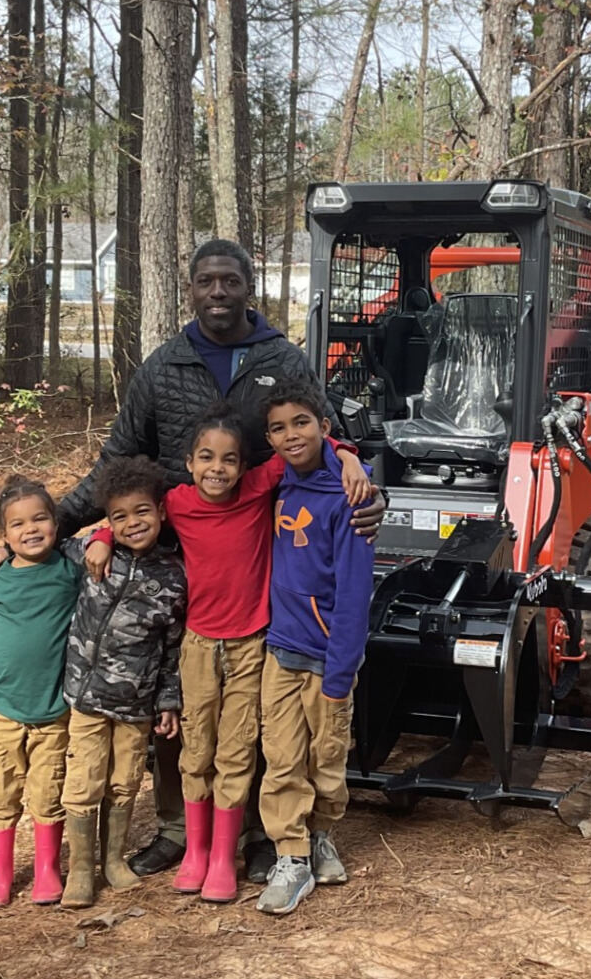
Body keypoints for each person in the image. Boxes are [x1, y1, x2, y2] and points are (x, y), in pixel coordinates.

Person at [47, 237, 384, 882]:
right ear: (191, 289)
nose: (219, 292)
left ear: (248, 287)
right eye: (207, 281)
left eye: (231, 280)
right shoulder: (162, 366)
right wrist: (75, 526)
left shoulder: (280, 358)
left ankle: (261, 832)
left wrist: (364, 481)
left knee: (252, 715)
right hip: (176, 562)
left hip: (263, 551)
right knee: (178, 707)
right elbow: (117, 464)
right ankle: (179, 829)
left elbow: (330, 435)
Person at [152, 405, 370, 903]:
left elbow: (306, 448)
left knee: (251, 750)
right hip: (205, 644)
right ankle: (201, 853)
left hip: (255, 643)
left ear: (246, 464)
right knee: (206, 750)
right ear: (188, 462)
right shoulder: (178, 502)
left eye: (230, 459)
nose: (217, 468)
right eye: (205, 458)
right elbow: (133, 517)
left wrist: (351, 457)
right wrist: (100, 535)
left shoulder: (260, 487)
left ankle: (254, 851)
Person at [254, 380, 376, 916]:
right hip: (282, 649)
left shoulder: (350, 498)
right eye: (278, 428)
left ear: (324, 427)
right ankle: (292, 855)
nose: (290, 435)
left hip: (330, 657)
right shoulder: (278, 480)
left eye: (301, 423)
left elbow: (354, 591)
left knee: (327, 757)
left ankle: (322, 833)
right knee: (281, 759)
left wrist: (341, 671)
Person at [58, 458, 186, 909]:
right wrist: (100, 537)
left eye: (142, 512)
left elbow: (173, 648)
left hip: (137, 705)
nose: (133, 523)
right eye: (119, 517)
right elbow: (45, 539)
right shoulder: (92, 554)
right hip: (87, 697)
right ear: (108, 520)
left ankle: (113, 860)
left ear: (161, 511)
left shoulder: (173, 577)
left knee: (124, 783)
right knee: (84, 781)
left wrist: (168, 698)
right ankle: (80, 869)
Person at [0, 477, 84, 909]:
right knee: (1, 789)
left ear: (56, 523)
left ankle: (48, 868)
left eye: (40, 519)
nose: (30, 529)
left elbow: (105, 538)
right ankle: (0, 873)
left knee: (48, 790)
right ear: (4, 536)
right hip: (2, 707)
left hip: (53, 708)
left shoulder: (70, 571)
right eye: (17, 525)